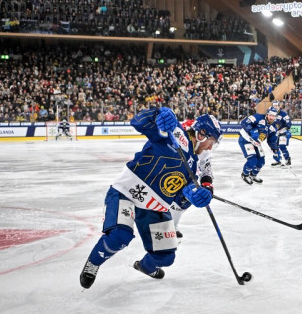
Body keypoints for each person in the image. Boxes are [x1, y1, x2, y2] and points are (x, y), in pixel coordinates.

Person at [79, 108, 222, 288]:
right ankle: (93, 262)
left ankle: (145, 267)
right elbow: (138, 121)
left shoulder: (194, 167)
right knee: (119, 236)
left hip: (154, 206)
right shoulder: (176, 134)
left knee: (166, 256)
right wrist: (157, 115)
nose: (210, 148)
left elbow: (178, 198)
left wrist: (193, 196)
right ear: (201, 134)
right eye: (211, 142)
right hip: (128, 191)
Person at [238, 108, 272, 184]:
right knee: (252, 160)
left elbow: (267, 135)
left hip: (256, 142)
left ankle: (253, 175)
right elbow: (244, 122)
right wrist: (252, 131)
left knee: (261, 161)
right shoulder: (258, 117)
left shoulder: (271, 124)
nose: (271, 117)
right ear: (267, 114)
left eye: (273, 116)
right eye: (270, 115)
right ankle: (245, 174)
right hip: (246, 139)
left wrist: (261, 139)